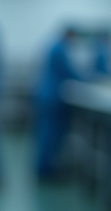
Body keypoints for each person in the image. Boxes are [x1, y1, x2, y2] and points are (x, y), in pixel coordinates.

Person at [34, 27, 81, 178]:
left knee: (46, 133)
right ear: (69, 34)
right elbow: (67, 71)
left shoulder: (54, 45)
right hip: (52, 97)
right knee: (50, 134)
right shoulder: (59, 48)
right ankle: (45, 168)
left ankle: (44, 166)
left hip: (47, 95)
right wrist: (86, 77)